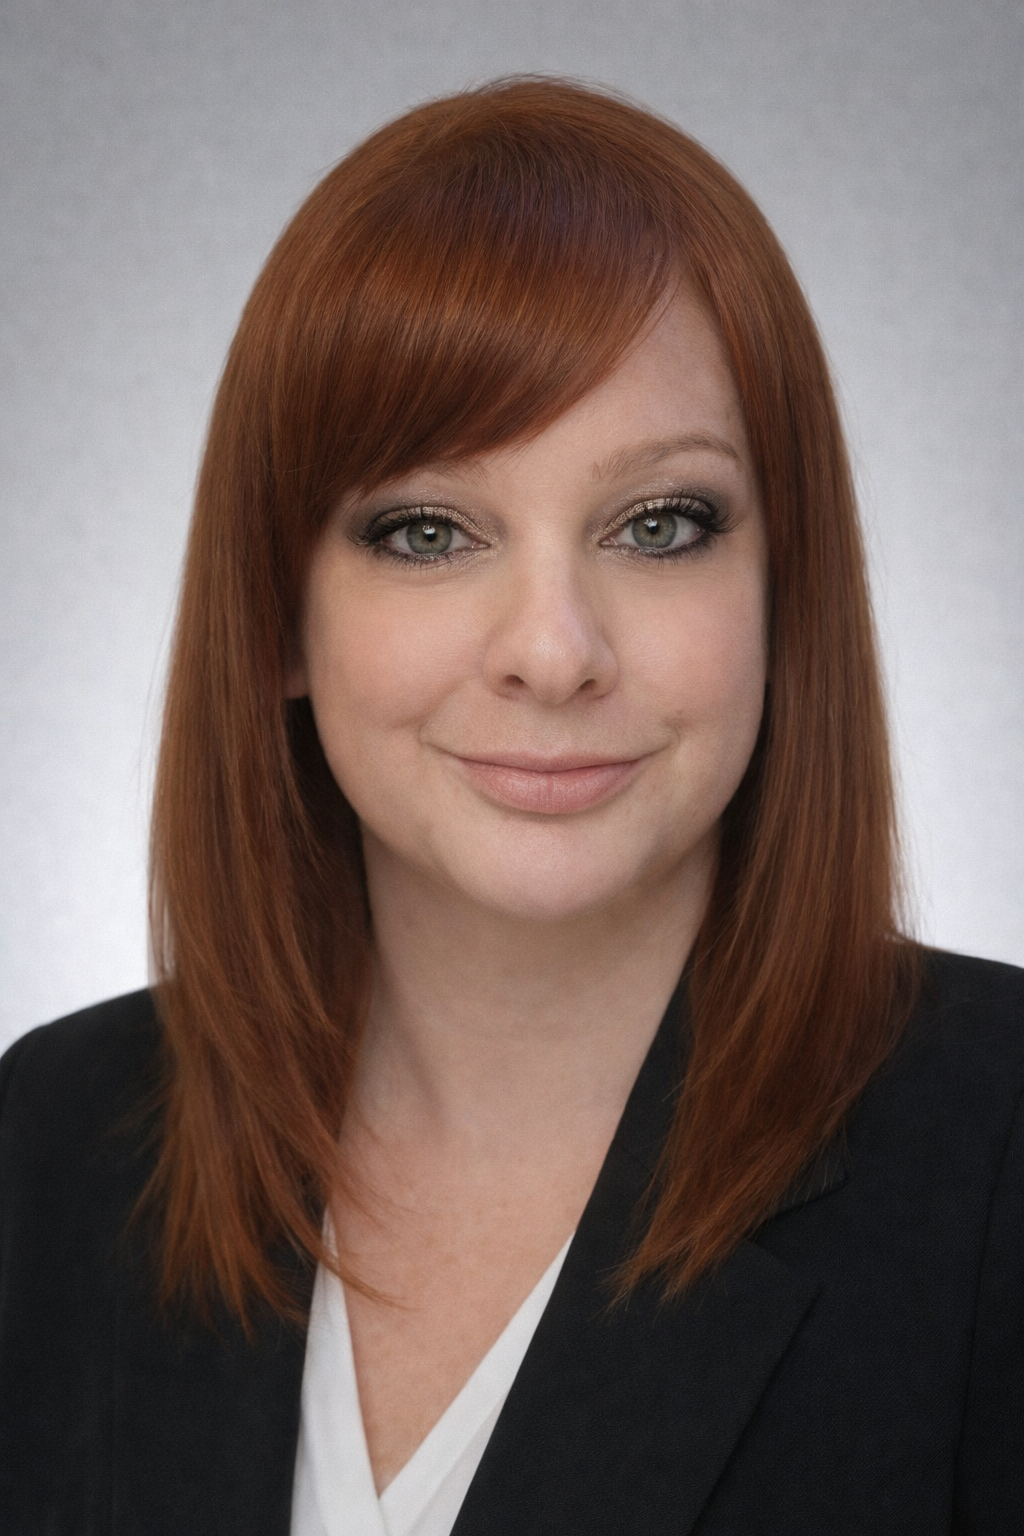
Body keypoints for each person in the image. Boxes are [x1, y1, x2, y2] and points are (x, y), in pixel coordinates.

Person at [0, 76, 1020, 1536]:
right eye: (428, 531)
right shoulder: (52, 1141)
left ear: (784, 593)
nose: (552, 650)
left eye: (660, 525)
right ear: (279, 616)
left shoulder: (995, 1150)